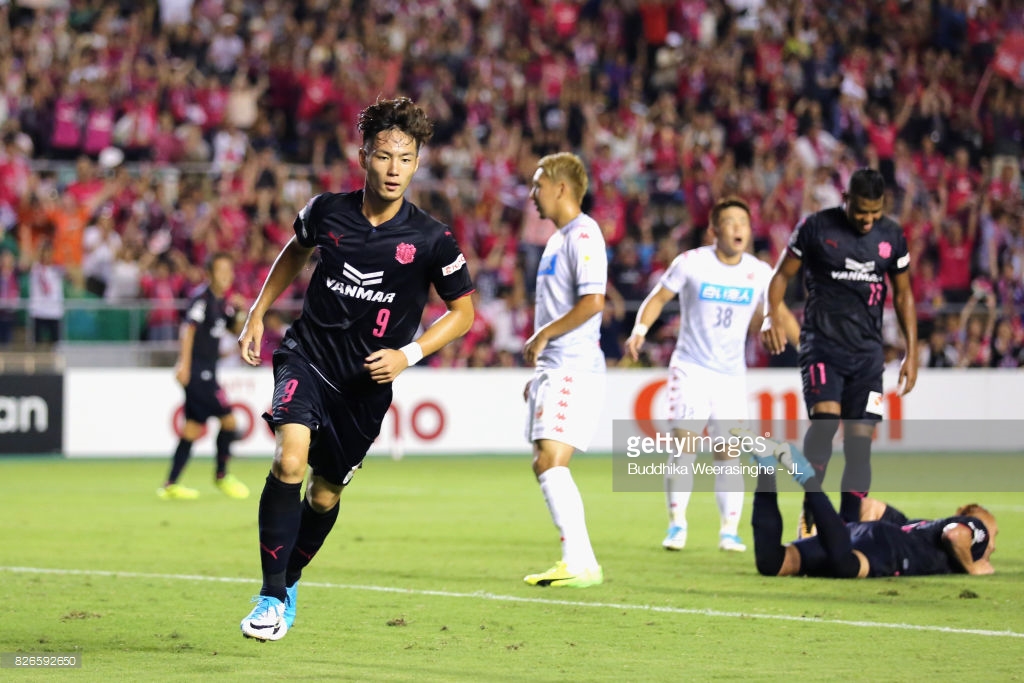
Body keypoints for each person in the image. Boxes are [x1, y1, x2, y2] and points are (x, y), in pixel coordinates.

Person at [235, 97, 475, 640]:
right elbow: (296, 252)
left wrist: (408, 354)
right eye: (385, 156)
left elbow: (463, 313)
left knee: (323, 495)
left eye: (406, 159)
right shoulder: (326, 211)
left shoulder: (431, 239)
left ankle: (288, 579)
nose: (395, 169)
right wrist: (259, 310)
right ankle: (270, 597)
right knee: (289, 459)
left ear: (417, 164)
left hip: (366, 386)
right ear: (363, 155)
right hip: (310, 357)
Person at [626, 197, 798, 552]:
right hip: (691, 368)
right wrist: (640, 330)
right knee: (685, 446)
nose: (738, 228)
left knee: (728, 451)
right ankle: (677, 525)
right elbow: (658, 297)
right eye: (730, 222)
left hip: (731, 376)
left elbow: (778, 312)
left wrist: (807, 347)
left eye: (744, 223)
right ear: (714, 230)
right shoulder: (692, 263)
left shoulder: (760, 272)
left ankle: (729, 531)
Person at [761, 169, 918, 527]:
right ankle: (812, 509)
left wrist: (913, 351)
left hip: (868, 357)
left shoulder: (892, 235)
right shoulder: (815, 228)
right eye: (861, 210)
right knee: (825, 424)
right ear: (846, 199)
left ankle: (848, 526)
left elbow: (905, 294)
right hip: (822, 348)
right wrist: (772, 317)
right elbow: (781, 276)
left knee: (860, 444)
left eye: (874, 212)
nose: (867, 219)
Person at [521, 152, 608, 588]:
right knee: (545, 461)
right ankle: (583, 562)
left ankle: (577, 561)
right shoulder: (558, 239)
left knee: (550, 461)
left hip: (574, 367)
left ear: (561, 187)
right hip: (557, 368)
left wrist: (543, 337)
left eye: (538, 185)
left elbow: (594, 302)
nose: (532, 194)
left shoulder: (584, 235)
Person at [747, 444, 997, 578]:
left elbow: (869, 507)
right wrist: (974, 568)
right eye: (995, 535)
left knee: (773, 563)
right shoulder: (975, 527)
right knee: (845, 566)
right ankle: (809, 480)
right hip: (889, 548)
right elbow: (956, 535)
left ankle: (766, 471)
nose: (994, 546)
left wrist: (853, 533)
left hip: (860, 533)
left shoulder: (918, 526)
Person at [157, 251, 250, 501]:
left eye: (229, 271)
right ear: (209, 274)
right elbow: (188, 329)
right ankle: (222, 476)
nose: (226, 276)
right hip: (200, 372)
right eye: (220, 271)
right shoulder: (202, 299)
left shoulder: (223, 303)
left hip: (207, 370)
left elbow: (233, 328)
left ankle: (170, 484)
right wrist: (184, 365)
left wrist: (240, 311)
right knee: (229, 421)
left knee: (191, 429)